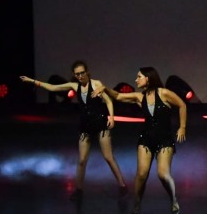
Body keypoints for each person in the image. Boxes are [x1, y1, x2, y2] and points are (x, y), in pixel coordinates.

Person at [20, 60, 128, 201]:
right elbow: (53, 88)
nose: (80, 76)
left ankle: (122, 185)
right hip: (85, 125)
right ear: (74, 75)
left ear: (87, 72)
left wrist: (112, 118)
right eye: (77, 74)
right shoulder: (74, 86)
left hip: (100, 123)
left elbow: (108, 101)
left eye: (82, 73)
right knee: (82, 160)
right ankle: (79, 190)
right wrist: (32, 81)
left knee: (108, 157)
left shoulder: (96, 84)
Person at [96, 67, 187, 214]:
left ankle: (173, 199)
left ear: (148, 78)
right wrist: (105, 88)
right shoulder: (140, 97)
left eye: (139, 77)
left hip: (164, 139)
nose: (136, 80)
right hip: (146, 138)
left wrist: (182, 127)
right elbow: (118, 96)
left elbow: (182, 105)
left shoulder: (163, 93)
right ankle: (137, 203)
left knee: (163, 174)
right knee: (142, 174)